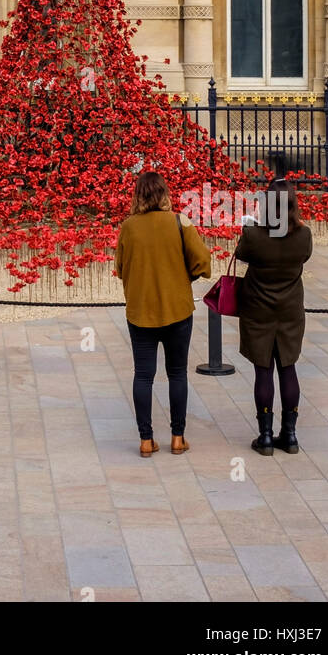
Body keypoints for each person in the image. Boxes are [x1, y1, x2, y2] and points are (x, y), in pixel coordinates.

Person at [114, 171, 211, 457]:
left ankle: (146, 440)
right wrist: (184, 278)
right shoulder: (180, 221)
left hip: (141, 311)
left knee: (143, 375)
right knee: (177, 373)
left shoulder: (128, 227)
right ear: (165, 194)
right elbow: (202, 260)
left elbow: (120, 268)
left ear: (138, 196)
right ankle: (178, 437)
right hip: (177, 308)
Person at [236, 178, 312, 456]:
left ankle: (266, 436)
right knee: (288, 368)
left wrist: (255, 222)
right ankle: (289, 435)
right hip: (290, 310)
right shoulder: (304, 236)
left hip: (259, 309)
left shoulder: (254, 235)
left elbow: (241, 254)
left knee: (263, 370)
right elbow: (304, 257)